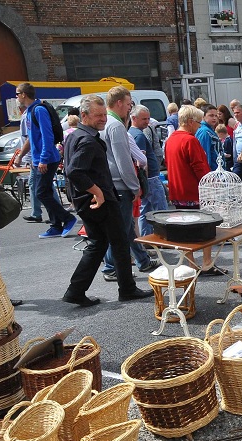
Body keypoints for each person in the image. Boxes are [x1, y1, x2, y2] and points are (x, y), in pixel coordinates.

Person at [61, 95, 153, 306]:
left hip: (88, 200)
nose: (103, 119)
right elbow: (74, 171)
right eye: (98, 115)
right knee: (119, 242)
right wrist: (98, 192)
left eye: (104, 114)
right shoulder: (86, 140)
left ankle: (75, 290)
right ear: (84, 115)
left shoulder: (78, 136)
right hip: (98, 201)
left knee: (99, 244)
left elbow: (73, 171)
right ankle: (127, 289)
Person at [100, 86, 158, 281]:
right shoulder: (115, 125)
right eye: (128, 104)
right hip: (120, 185)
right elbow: (123, 160)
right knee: (122, 230)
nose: (129, 108)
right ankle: (110, 267)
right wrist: (135, 187)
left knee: (122, 229)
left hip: (113, 183)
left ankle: (134, 261)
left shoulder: (107, 123)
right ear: (119, 103)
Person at [164, 105, 224, 275]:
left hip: (178, 191)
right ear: (190, 122)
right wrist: (210, 185)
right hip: (194, 191)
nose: (199, 126)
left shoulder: (171, 139)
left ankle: (191, 265)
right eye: (198, 122)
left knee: (184, 231)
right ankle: (206, 263)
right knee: (206, 229)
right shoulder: (189, 140)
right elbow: (200, 167)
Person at [15, 83, 78, 238]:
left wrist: (43, 159)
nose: (16, 97)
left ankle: (67, 218)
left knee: (41, 192)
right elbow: (31, 138)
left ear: (24, 94)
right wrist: (21, 155)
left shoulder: (39, 110)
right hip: (39, 160)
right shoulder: (30, 111)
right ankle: (56, 225)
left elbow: (47, 136)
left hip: (47, 159)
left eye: (17, 93)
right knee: (46, 191)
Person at [129, 105, 168, 237]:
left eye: (148, 118)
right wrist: (144, 181)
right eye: (144, 119)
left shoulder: (133, 133)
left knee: (145, 210)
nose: (147, 122)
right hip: (150, 179)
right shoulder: (138, 135)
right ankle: (164, 238)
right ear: (134, 118)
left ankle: (146, 240)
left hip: (148, 178)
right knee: (161, 211)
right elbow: (141, 162)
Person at [195, 104, 222, 171]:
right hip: (213, 173)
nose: (214, 118)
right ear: (203, 116)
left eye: (216, 116)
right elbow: (204, 154)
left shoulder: (210, 130)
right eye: (211, 115)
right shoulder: (205, 132)